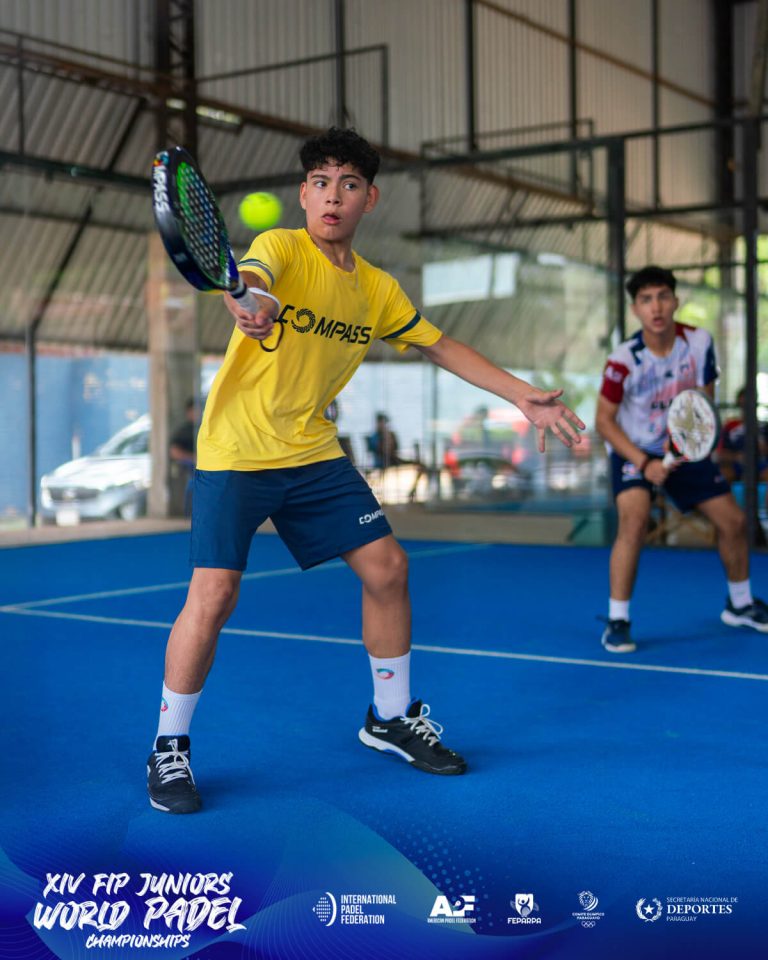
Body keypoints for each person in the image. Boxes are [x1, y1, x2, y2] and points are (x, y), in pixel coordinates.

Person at [146, 127, 585, 814]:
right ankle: (169, 746)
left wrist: (521, 394)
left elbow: (440, 345)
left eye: (349, 185)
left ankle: (389, 717)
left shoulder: (377, 289)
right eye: (321, 183)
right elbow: (254, 285)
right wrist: (249, 303)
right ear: (304, 194)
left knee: (388, 569)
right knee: (215, 595)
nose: (333, 196)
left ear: (368, 199)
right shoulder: (280, 248)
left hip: (312, 450)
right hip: (237, 449)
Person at [595, 265, 768, 654]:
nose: (655, 307)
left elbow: (702, 403)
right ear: (636, 309)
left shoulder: (699, 342)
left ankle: (739, 605)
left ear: (675, 301)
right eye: (646, 300)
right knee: (634, 521)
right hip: (634, 450)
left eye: (662, 297)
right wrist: (645, 463)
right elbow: (604, 421)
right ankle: (618, 620)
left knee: (734, 521)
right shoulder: (622, 361)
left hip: (684, 446)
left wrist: (687, 445)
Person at [366, 412, 427, 500]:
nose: (384, 425)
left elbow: (395, 448)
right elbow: (381, 451)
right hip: (383, 462)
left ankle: (412, 490)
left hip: (393, 460)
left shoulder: (390, 434)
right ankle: (411, 492)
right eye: (382, 423)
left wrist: (390, 439)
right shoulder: (374, 437)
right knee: (417, 465)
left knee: (420, 465)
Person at [717, 385, 768, 484]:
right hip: (736, 465)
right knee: (723, 475)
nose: (747, 408)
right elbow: (720, 454)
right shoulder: (730, 426)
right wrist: (737, 457)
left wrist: (763, 449)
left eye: (750, 405)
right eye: (744, 405)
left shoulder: (764, 426)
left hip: (761, 464)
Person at [168, 397, 198, 517]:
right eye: (196, 410)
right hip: (192, 467)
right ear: (189, 412)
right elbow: (174, 452)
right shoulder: (184, 431)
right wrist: (193, 458)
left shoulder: (206, 428)